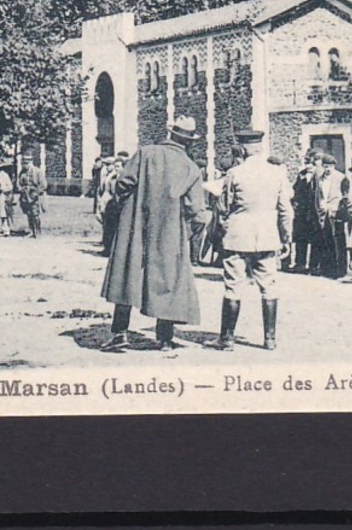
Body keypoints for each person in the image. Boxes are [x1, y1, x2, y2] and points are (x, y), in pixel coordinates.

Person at [100, 116, 207, 354]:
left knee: (127, 274)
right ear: (189, 142)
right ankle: (165, 339)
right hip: (170, 231)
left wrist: (127, 210)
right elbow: (196, 210)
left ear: (170, 134)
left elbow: (123, 184)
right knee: (167, 279)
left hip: (135, 224)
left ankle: (119, 334)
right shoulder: (191, 167)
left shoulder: (145, 153)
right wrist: (186, 233)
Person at [212, 128, 293, 349]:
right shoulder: (276, 174)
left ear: (243, 149)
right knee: (269, 286)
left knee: (233, 287)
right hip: (267, 236)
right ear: (260, 147)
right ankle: (270, 339)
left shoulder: (234, 174)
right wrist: (286, 238)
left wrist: (222, 228)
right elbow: (286, 210)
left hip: (238, 236)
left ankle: (227, 339)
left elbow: (222, 208)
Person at [287, 151, 321, 274]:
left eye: (311, 163)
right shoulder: (301, 175)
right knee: (301, 239)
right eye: (306, 163)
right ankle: (300, 264)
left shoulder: (319, 176)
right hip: (301, 213)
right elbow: (295, 191)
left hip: (314, 213)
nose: (309, 166)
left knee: (315, 240)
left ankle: (313, 265)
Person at [314, 153, 345, 278]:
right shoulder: (320, 178)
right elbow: (317, 195)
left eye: (330, 167)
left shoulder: (341, 178)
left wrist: (338, 209)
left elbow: (345, 197)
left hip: (335, 213)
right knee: (326, 240)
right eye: (325, 166)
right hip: (323, 212)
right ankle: (328, 268)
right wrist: (319, 207)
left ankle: (340, 270)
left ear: (334, 166)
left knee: (338, 241)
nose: (328, 169)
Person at [17, 155, 47, 239]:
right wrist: (20, 189)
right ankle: (31, 231)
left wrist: (36, 193)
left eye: (27, 163)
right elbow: (18, 183)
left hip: (34, 196)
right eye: (23, 163)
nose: (25, 165)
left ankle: (38, 232)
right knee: (28, 214)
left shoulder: (37, 171)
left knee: (35, 214)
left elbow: (43, 185)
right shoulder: (22, 172)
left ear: (31, 162)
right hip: (25, 196)